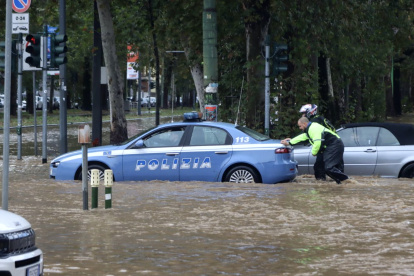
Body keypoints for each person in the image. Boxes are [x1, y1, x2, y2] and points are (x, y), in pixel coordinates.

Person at [281, 117, 349, 184]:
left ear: (304, 124)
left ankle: (346, 181)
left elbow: (317, 143)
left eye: (300, 126)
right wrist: (290, 142)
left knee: (329, 168)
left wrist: (314, 152)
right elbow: (302, 137)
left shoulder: (314, 128)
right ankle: (321, 184)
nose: (300, 128)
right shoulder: (309, 129)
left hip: (334, 145)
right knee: (318, 167)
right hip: (326, 147)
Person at [296, 104, 335, 180]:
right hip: (330, 146)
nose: (302, 115)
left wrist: (292, 141)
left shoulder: (314, 122)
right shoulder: (320, 119)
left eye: (303, 113)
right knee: (328, 168)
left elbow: (305, 136)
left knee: (319, 168)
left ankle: (321, 186)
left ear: (310, 112)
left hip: (326, 147)